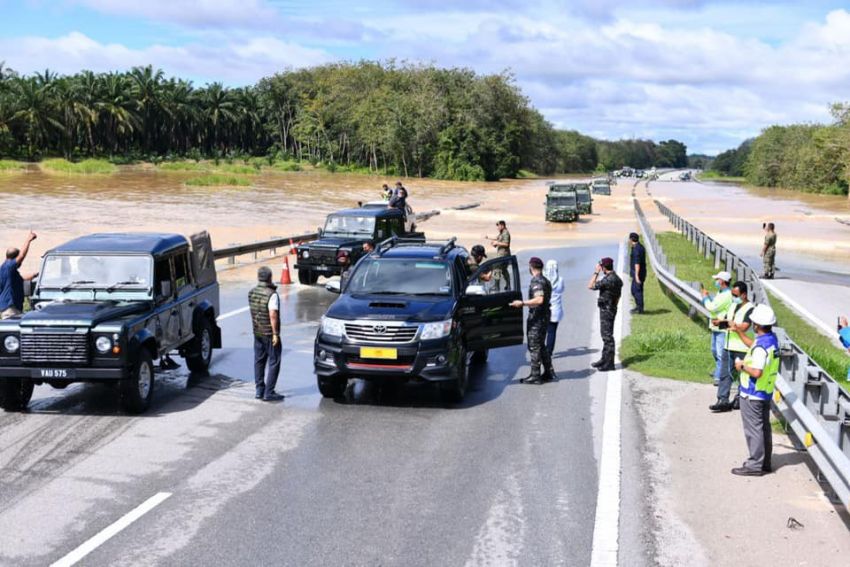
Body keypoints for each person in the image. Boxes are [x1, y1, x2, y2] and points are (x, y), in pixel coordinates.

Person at [731, 304, 780, 476]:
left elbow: (757, 372)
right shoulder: (770, 340)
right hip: (764, 392)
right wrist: (739, 332)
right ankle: (764, 462)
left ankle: (754, 465)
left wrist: (742, 365)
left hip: (752, 393)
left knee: (754, 430)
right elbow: (754, 346)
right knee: (763, 428)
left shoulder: (760, 347)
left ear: (757, 325)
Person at [510, 257, 556, 384]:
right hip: (544, 316)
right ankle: (549, 371)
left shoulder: (537, 281)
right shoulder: (545, 280)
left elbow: (539, 299)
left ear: (531, 267)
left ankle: (535, 375)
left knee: (534, 346)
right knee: (541, 345)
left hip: (537, 318)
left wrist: (522, 303)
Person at [710, 281, 754, 412]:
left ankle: (740, 399)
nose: (734, 297)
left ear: (744, 294)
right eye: (733, 294)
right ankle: (722, 400)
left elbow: (745, 326)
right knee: (724, 374)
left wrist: (732, 324)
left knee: (743, 376)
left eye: (736, 295)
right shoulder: (733, 305)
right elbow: (728, 320)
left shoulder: (750, 308)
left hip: (743, 348)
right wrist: (720, 322)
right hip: (728, 346)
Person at [249, 266, 284, 401]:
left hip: (257, 331)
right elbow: (273, 314)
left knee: (259, 360)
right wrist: (276, 334)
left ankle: (259, 390)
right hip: (269, 333)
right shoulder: (272, 294)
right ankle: (269, 392)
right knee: (274, 361)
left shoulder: (252, 292)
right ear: (270, 278)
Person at [588, 257, 623, 371]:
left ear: (603, 267)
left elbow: (590, 285)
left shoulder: (607, 280)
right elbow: (618, 296)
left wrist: (596, 272)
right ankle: (604, 359)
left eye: (601, 266)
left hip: (606, 311)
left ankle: (609, 364)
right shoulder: (617, 279)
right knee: (606, 336)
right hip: (611, 308)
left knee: (607, 337)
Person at [701, 271, 733, 385]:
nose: (716, 281)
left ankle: (719, 377)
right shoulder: (721, 292)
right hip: (715, 327)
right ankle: (718, 370)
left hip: (722, 328)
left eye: (717, 279)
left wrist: (705, 298)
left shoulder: (726, 295)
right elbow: (715, 304)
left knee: (720, 353)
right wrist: (708, 297)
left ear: (723, 281)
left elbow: (712, 307)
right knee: (714, 351)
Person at [0, 231, 39, 319]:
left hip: (9, 308)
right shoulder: (9, 266)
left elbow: (21, 278)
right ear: (14, 258)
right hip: (10, 309)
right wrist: (29, 240)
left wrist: (35, 274)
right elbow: (21, 256)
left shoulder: (5, 269)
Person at [543, 259, 564, 356]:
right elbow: (562, 289)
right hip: (556, 309)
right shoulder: (560, 280)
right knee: (552, 331)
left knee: (544, 331)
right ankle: (549, 351)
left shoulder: (544, 280)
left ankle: (543, 350)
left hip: (546, 309)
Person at [487, 221, 511, 291]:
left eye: (499, 226)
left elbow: (506, 244)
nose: (497, 228)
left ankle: (496, 286)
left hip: (503, 255)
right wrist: (490, 239)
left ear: (503, 226)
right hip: (502, 254)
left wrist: (497, 243)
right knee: (504, 270)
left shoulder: (506, 233)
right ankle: (508, 285)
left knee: (496, 268)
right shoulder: (502, 233)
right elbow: (497, 238)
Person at [628, 232, 646, 314]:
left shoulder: (636, 250)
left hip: (638, 273)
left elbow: (637, 264)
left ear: (631, 239)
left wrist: (636, 276)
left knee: (636, 291)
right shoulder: (640, 247)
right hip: (641, 272)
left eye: (629, 239)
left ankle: (640, 309)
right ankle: (639, 307)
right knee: (636, 290)